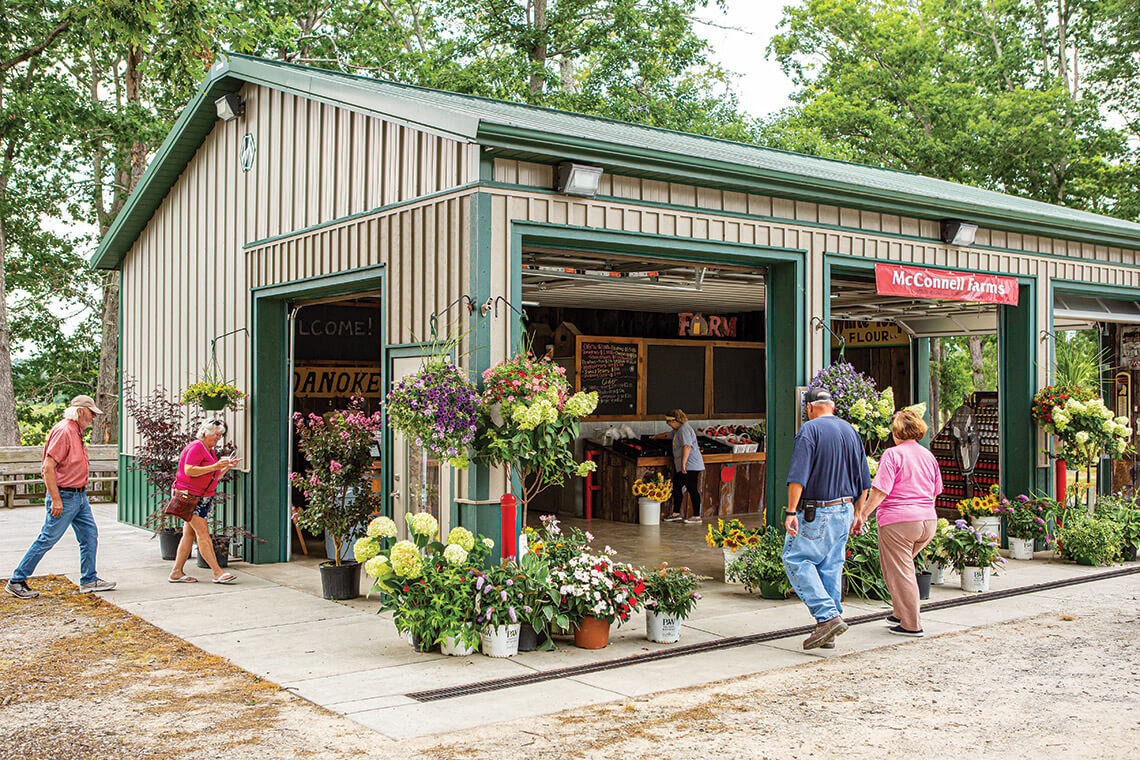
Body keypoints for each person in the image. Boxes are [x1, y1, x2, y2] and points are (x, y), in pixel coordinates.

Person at [783, 388, 871, 650]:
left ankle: (827, 617)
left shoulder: (809, 430)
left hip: (817, 511)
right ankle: (828, 633)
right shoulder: (851, 431)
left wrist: (791, 511)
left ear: (809, 408)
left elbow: (798, 476)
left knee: (796, 559)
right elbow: (864, 481)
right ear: (832, 406)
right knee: (831, 567)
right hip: (845, 509)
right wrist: (859, 513)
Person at [5, 396, 116, 599]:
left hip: (79, 496)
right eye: (91, 413)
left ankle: (89, 579)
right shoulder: (64, 431)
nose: (93, 418)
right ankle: (17, 580)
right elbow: (48, 468)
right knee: (47, 538)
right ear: (80, 411)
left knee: (89, 535)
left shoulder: (76, 431)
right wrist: (56, 499)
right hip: (65, 496)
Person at [851, 407, 941, 637]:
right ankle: (900, 612)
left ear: (896, 432)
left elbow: (880, 491)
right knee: (900, 568)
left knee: (901, 572)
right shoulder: (928, 456)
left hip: (899, 522)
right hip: (927, 521)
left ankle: (912, 624)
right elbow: (934, 492)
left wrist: (862, 515)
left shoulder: (893, 454)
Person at [168, 419, 242, 584]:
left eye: (220, 435)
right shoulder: (197, 447)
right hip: (190, 497)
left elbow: (213, 476)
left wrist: (226, 467)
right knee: (203, 534)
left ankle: (176, 572)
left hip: (200, 497)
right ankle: (217, 572)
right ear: (205, 433)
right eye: (216, 435)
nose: (218, 438)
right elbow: (189, 470)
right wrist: (215, 466)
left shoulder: (209, 450)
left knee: (189, 534)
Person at [662, 409, 705, 524]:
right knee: (677, 486)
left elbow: (687, 446)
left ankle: (696, 516)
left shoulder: (684, 430)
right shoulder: (678, 430)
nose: (668, 424)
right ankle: (676, 514)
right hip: (686, 465)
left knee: (692, 488)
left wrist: (683, 464)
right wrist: (654, 437)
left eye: (668, 421)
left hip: (690, 465)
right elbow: (668, 435)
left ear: (675, 420)